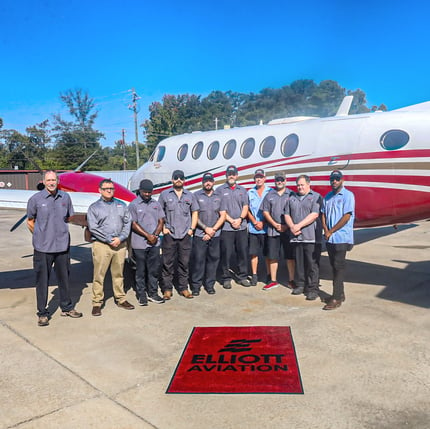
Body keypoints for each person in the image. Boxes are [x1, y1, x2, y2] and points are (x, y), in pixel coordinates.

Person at [26, 170, 82, 326]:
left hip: (62, 247)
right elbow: (30, 221)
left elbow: (69, 217)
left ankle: (66, 307)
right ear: (43, 181)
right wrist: (40, 236)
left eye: (54, 180)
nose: (51, 182)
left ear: (57, 181)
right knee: (42, 281)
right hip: (43, 248)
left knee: (64, 279)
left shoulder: (65, 197)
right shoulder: (35, 199)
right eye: (48, 180)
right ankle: (42, 313)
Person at [87, 179, 134, 316]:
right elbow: (93, 227)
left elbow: (127, 222)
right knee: (99, 275)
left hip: (119, 244)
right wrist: (108, 239)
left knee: (119, 274)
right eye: (106, 188)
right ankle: (97, 303)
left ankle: (120, 298)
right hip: (102, 245)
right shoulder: (94, 207)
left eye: (111, 188)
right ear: (100, 190)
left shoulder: (121, 205)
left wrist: (121, 238)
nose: (109, 190)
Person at [158, 170, 199, 300]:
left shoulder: (190, 195)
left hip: (185, 234)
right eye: (176, 177)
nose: (179, 180)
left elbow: (195, 212)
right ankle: (167, 289)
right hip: (170, 234)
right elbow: (159, 213)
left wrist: (192, 229)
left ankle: (183, 288)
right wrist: (163, 228)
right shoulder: (164, 194)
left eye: (181, 177)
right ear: (172, 180)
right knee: (167, 263)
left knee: (184, 263)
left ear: (184, 180)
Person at [285, 174, 322, 300]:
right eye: (298, 185)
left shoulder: (315, 197)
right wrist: (292, 227)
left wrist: (298, 226)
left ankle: (313, 288)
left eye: (302, 185)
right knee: (299, 263)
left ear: (308, 184)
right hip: (296, 237)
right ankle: (300, 285)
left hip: (310, 237)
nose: (300, 187)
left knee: (312, 264)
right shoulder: (292, 198)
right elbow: (287, 214)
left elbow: (314, 214)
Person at [321, 170, 355, 310]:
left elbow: (346, 216)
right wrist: (325, 229)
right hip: (330, 239)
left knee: (338, 267)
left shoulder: (348, 195)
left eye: (337, 179)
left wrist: (331, 231)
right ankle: (339, 294)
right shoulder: (327, 197)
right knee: (333, 267)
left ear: (342, 180)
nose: (334, 181)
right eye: (332, 179)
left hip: (341, 237)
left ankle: (336, 298)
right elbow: (323, 214)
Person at [128, 179, 165, 306]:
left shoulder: (156, 204)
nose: (147, 194)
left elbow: (161, 221)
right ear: (140, 190)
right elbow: (133, 223)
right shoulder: (133, 205)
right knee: (140, 270)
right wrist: (147, 236)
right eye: (145, 192)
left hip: (154, 243)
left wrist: (154, 235)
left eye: (150, 192)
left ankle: (153, 293)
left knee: (153, 270)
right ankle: (141, 295)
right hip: (139, 244)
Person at [190, 173, 226, 296]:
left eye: (210, 181)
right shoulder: (196, 195)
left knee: (213, 260)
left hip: (215, 235)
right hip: (200, 234)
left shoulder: (219, 196)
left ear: (213, 182)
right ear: (202, 182)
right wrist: (206, 229)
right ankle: (196, 286)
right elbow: (194, 215)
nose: (208, 183)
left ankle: (210, 285)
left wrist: (213, 230)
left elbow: (223, 215)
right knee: (198, 261)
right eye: (206, 181)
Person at [261, 174, 295, 291]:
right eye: (277, 180)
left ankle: (291, 280)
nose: (279, 182)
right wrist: (275, 224)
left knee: (290, 256)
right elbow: (265, 212)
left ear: (285, 181)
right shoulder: (269, 195)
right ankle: (273, 280)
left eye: (281, 180)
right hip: (273, 230)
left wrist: (287, 225)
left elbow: (294, 211)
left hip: (287, 230)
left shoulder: (291, 194)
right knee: (273, 256)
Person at [219, 165, 251, 289]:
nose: (231, 175)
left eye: (233, 173)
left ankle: (242, 276)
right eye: (229, 173)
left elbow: (245, 207)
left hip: (241, 227)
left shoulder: (242, 190)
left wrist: (240, 219)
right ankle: (226, 278)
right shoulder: (220, 190)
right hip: (227, 227)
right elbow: (220, 209)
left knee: (242, 252)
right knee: (226, 253)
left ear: (237, 175)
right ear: (226, 175)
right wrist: (231, 220)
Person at [247, 169, 272, 285]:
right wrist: (254, 221)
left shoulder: (270, 191)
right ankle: (254, 275)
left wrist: (264, 222)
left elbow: (272, 210)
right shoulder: (250, 192)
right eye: (257, 177)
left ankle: (268, 275)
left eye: (261, 177)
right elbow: (246, 209)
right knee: (254, 253)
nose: (258, 179)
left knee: (267, 253)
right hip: (253, 228)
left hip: (266, 228)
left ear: (264, 179)